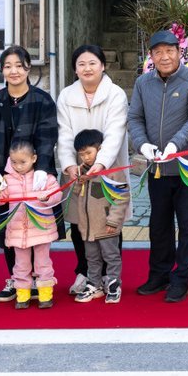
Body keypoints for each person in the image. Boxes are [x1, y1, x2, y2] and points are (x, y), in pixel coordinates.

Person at [128, 30, 188, 303]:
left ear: (179, 52)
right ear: (151, 56)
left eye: (169, 51)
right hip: (158, 168)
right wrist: (142, 145)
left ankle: (181, 278)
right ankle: (159, 274)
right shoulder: (143, 83)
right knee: (159, 224)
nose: (164, 57)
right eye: (158, 52)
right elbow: (134, 118)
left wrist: (176, 143)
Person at [0, 45, 58, 302]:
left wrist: (42, 167)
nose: (14, 71)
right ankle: (16, 278)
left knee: (37, 230)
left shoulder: (42, 100)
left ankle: (41, 279)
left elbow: (47, 136)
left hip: (35, 177)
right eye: (8, 66)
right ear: (2, 70)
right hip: (4, 178)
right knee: (9, 230)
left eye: (19, 66)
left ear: (28, 68)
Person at [56, 43, 130, 298]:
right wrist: (69, 165)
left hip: (108, 170)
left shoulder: (115, 94)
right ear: (75, 69)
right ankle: (86, 273)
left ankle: (111, 278)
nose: (87, 68)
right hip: (77, 171)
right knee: (80, 221)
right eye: (81, 64)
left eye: (92, 63)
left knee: (110, 222)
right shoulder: (66, 96)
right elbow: (64, 134)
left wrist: (101, 164)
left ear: (103, 66)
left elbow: (115, 132)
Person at [0, 140, 60, 309]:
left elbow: (57, 193)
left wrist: (47, 197)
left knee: (43, 264)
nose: (18, 166)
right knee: (20, 265)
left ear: (34, 158)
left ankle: (45, 294)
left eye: (23, 162)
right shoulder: (6, 179)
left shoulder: (44, 177)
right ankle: (22, 295)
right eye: (14, 162)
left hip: (41, 230)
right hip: (18, 231)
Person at [64, 129, 129, 304]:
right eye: (81, 154)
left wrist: (113, 220)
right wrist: (77, 182)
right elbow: (76, 194)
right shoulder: (82, 171)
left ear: (100, 149)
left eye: (88, 153)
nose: (85, 158)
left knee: (111, 256)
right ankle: (94, 284)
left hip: (106, 225)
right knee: (91, 258)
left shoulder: (112, 170)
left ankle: (114, 284)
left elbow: (122, 196)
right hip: (88, 227)